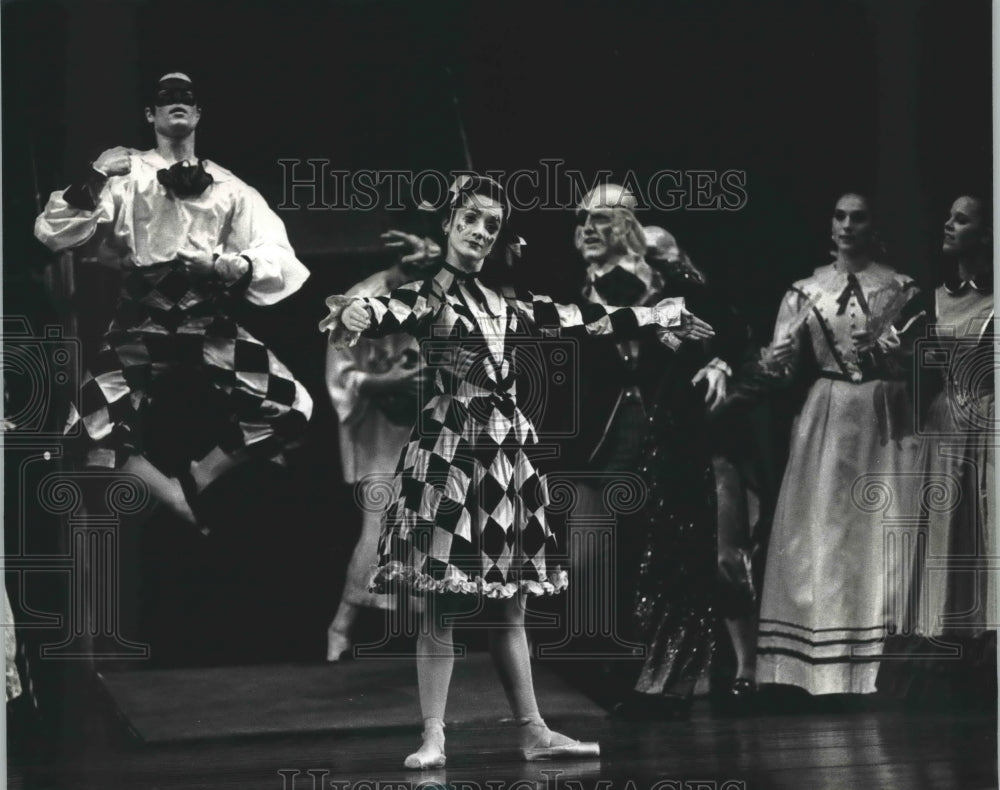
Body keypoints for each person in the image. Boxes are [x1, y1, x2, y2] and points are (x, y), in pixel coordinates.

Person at [320, 174, 713, 768]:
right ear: (450, 223)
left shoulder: (506, 303)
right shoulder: (430, 296)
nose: (480, 232)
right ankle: (433, 735)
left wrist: (655, 317)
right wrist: (353, 312)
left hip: (505, 461)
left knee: (510, 607)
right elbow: (381, 309)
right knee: (440, 604)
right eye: (472, 219)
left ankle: (532, 730)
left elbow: (585, 317)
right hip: (450, 458)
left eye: (492, 225)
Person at [34, 73, 313, 531]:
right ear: (151, 114)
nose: (177, 104)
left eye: (187, 98)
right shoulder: (125, 174)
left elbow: (279, 254)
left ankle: (198, 478)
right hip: (141, 323)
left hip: (208, 324)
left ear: (199, 113)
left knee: (293, 408)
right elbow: (55, 231)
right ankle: (174, 497)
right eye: (166, 99)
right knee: (83, 428)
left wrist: (232, 265)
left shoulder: (230, 187)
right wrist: (97, 174)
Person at [754, 192, 925, 696]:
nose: (848, 225)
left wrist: (896, 357)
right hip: (828, 412)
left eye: (859, 217)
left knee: (882, 528)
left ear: (874, 226)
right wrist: (774, 359)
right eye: (840, 216)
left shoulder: (902, 287)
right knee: (825, 530)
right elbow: (780, 373)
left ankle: (880, 667)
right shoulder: (805, 290)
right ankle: (820, 669)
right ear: (830, 226)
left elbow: (919, 365)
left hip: (885, 413)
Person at [617, 226, 760, 718]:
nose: (657, 261)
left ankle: (744, 665)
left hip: (706, 448)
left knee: (722, 556)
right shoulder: (643, 307)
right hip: (660, 451)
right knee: (666, 563)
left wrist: (719, 361)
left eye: (665, 253)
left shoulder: (700, 300)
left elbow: (733, 334)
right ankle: (675, 679)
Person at [881, 193, 995, 704]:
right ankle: (954, 642)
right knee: (952, 529)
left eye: (962, 219)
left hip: (991, 422)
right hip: (950, 421)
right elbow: (898, 350)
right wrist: (887, 349)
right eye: (947, 215)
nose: (948, 225)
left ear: (988, 234)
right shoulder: (934, 299)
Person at [325, 231, 439, 661]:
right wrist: (385, 383)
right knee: (378, 530)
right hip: (379, 431)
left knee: (430, 534)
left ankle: (429, 640)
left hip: (431, 427)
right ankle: (341, 627)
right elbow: (341, 374)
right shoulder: (358, 300)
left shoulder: (443, 295)